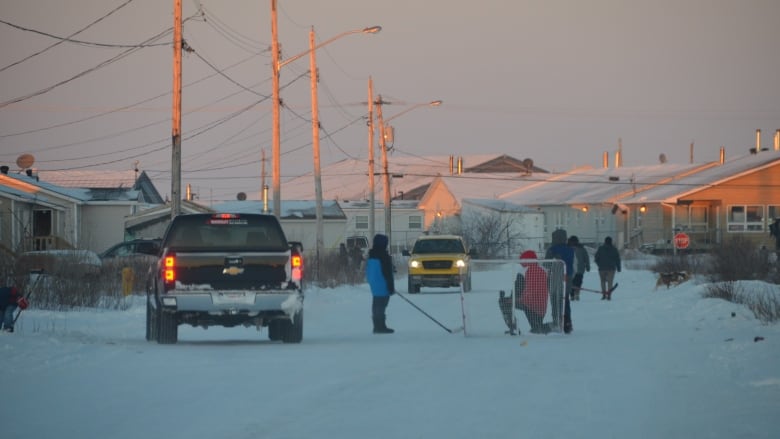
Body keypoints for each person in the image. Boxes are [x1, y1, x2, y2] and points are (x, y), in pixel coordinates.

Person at [545, 229, 574, 334]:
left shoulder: (552, 250)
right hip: (568, 278)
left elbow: (546, 265)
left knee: (555, 299)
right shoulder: (570, 250)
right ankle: (567, 323)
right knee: (565, 300)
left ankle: (557, 321)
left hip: (555, 277)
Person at [365, 234, 395, 334]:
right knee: (381, 305)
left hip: (374, 283)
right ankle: (381, 326)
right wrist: (391, 287)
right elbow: (387, 273)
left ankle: (377, 326)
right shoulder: (384, 256)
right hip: (383, 283)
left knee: (376, 304)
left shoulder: (371, 254)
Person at [517, 250, 552, 334]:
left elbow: (518, 290)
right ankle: (549, 326)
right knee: (536, 327)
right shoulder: (545, 270)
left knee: (504, 302)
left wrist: (512, 298)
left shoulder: (523, 271)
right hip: (542, 305)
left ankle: (513, 327)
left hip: (527, 303)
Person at [594, 236, 621, 300]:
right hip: (611, 268)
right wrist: (618, 267)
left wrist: (599, 264)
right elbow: (617, 259)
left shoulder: (600, 248)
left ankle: (603, 295)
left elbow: (596, 258)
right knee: (610, 282)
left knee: (602, 281)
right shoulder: (614, 249)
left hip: (602, 268)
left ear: (605, 241)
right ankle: (609, 295)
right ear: (611, 242)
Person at [568, 235, 590, 301]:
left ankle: (572, 295)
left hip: (570, 269)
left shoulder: (567, 248)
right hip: (580, 269)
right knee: (578, 282)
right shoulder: (582, 249)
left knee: (571, 282)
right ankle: (577, 294)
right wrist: (588, 266)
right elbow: (586, 258)